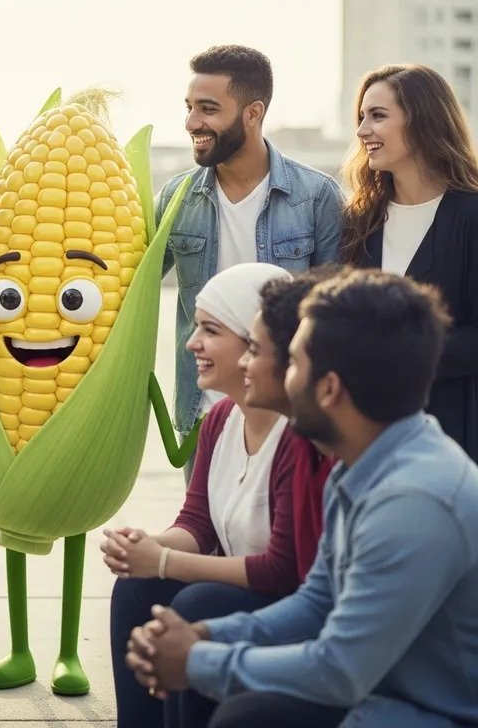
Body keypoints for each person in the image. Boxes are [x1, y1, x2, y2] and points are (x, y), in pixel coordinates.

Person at [126, 268, 478, 728]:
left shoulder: (414, 501)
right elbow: (316, 601)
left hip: (421, 711)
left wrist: (197, 661)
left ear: (329, 389)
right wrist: (202, 635)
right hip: (375, 690)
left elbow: (340, 670)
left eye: (291, 363)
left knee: (244, 715)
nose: (274, 375)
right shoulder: (359, 463)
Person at [105, 262, 328, 728]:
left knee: (195, 604)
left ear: (254, 343)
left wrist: (163, 563)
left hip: (285, 601)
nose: (191, 343)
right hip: (238, 586)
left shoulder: (299, 437)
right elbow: (198, 525)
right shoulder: (220, 419)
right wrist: (146, 547)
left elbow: (282, 570)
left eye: (210, 330)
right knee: (135, 586)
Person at [156, 45, 344, 483]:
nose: (192, 123)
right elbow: (128, 288)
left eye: (208, 109)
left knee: (285, 547)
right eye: (189, 108)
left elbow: (334, 316)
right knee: (204, 542)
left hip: (289, 414)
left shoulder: (317, 198)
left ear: (252, 113)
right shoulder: (175, 198)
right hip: (202, 414)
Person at [342, 64, 478, 462]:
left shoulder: (471, 217)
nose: (362, 130)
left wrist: (399, 353)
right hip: (368, 442)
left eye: (378, 116)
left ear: (423, 122)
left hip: (453, 442)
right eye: (362, 117)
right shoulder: (358, 221)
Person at [240, 269, 336, 580]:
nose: (243, 362)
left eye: (253, 351)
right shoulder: (303, 439)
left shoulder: (364, 468)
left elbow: (286, 573)